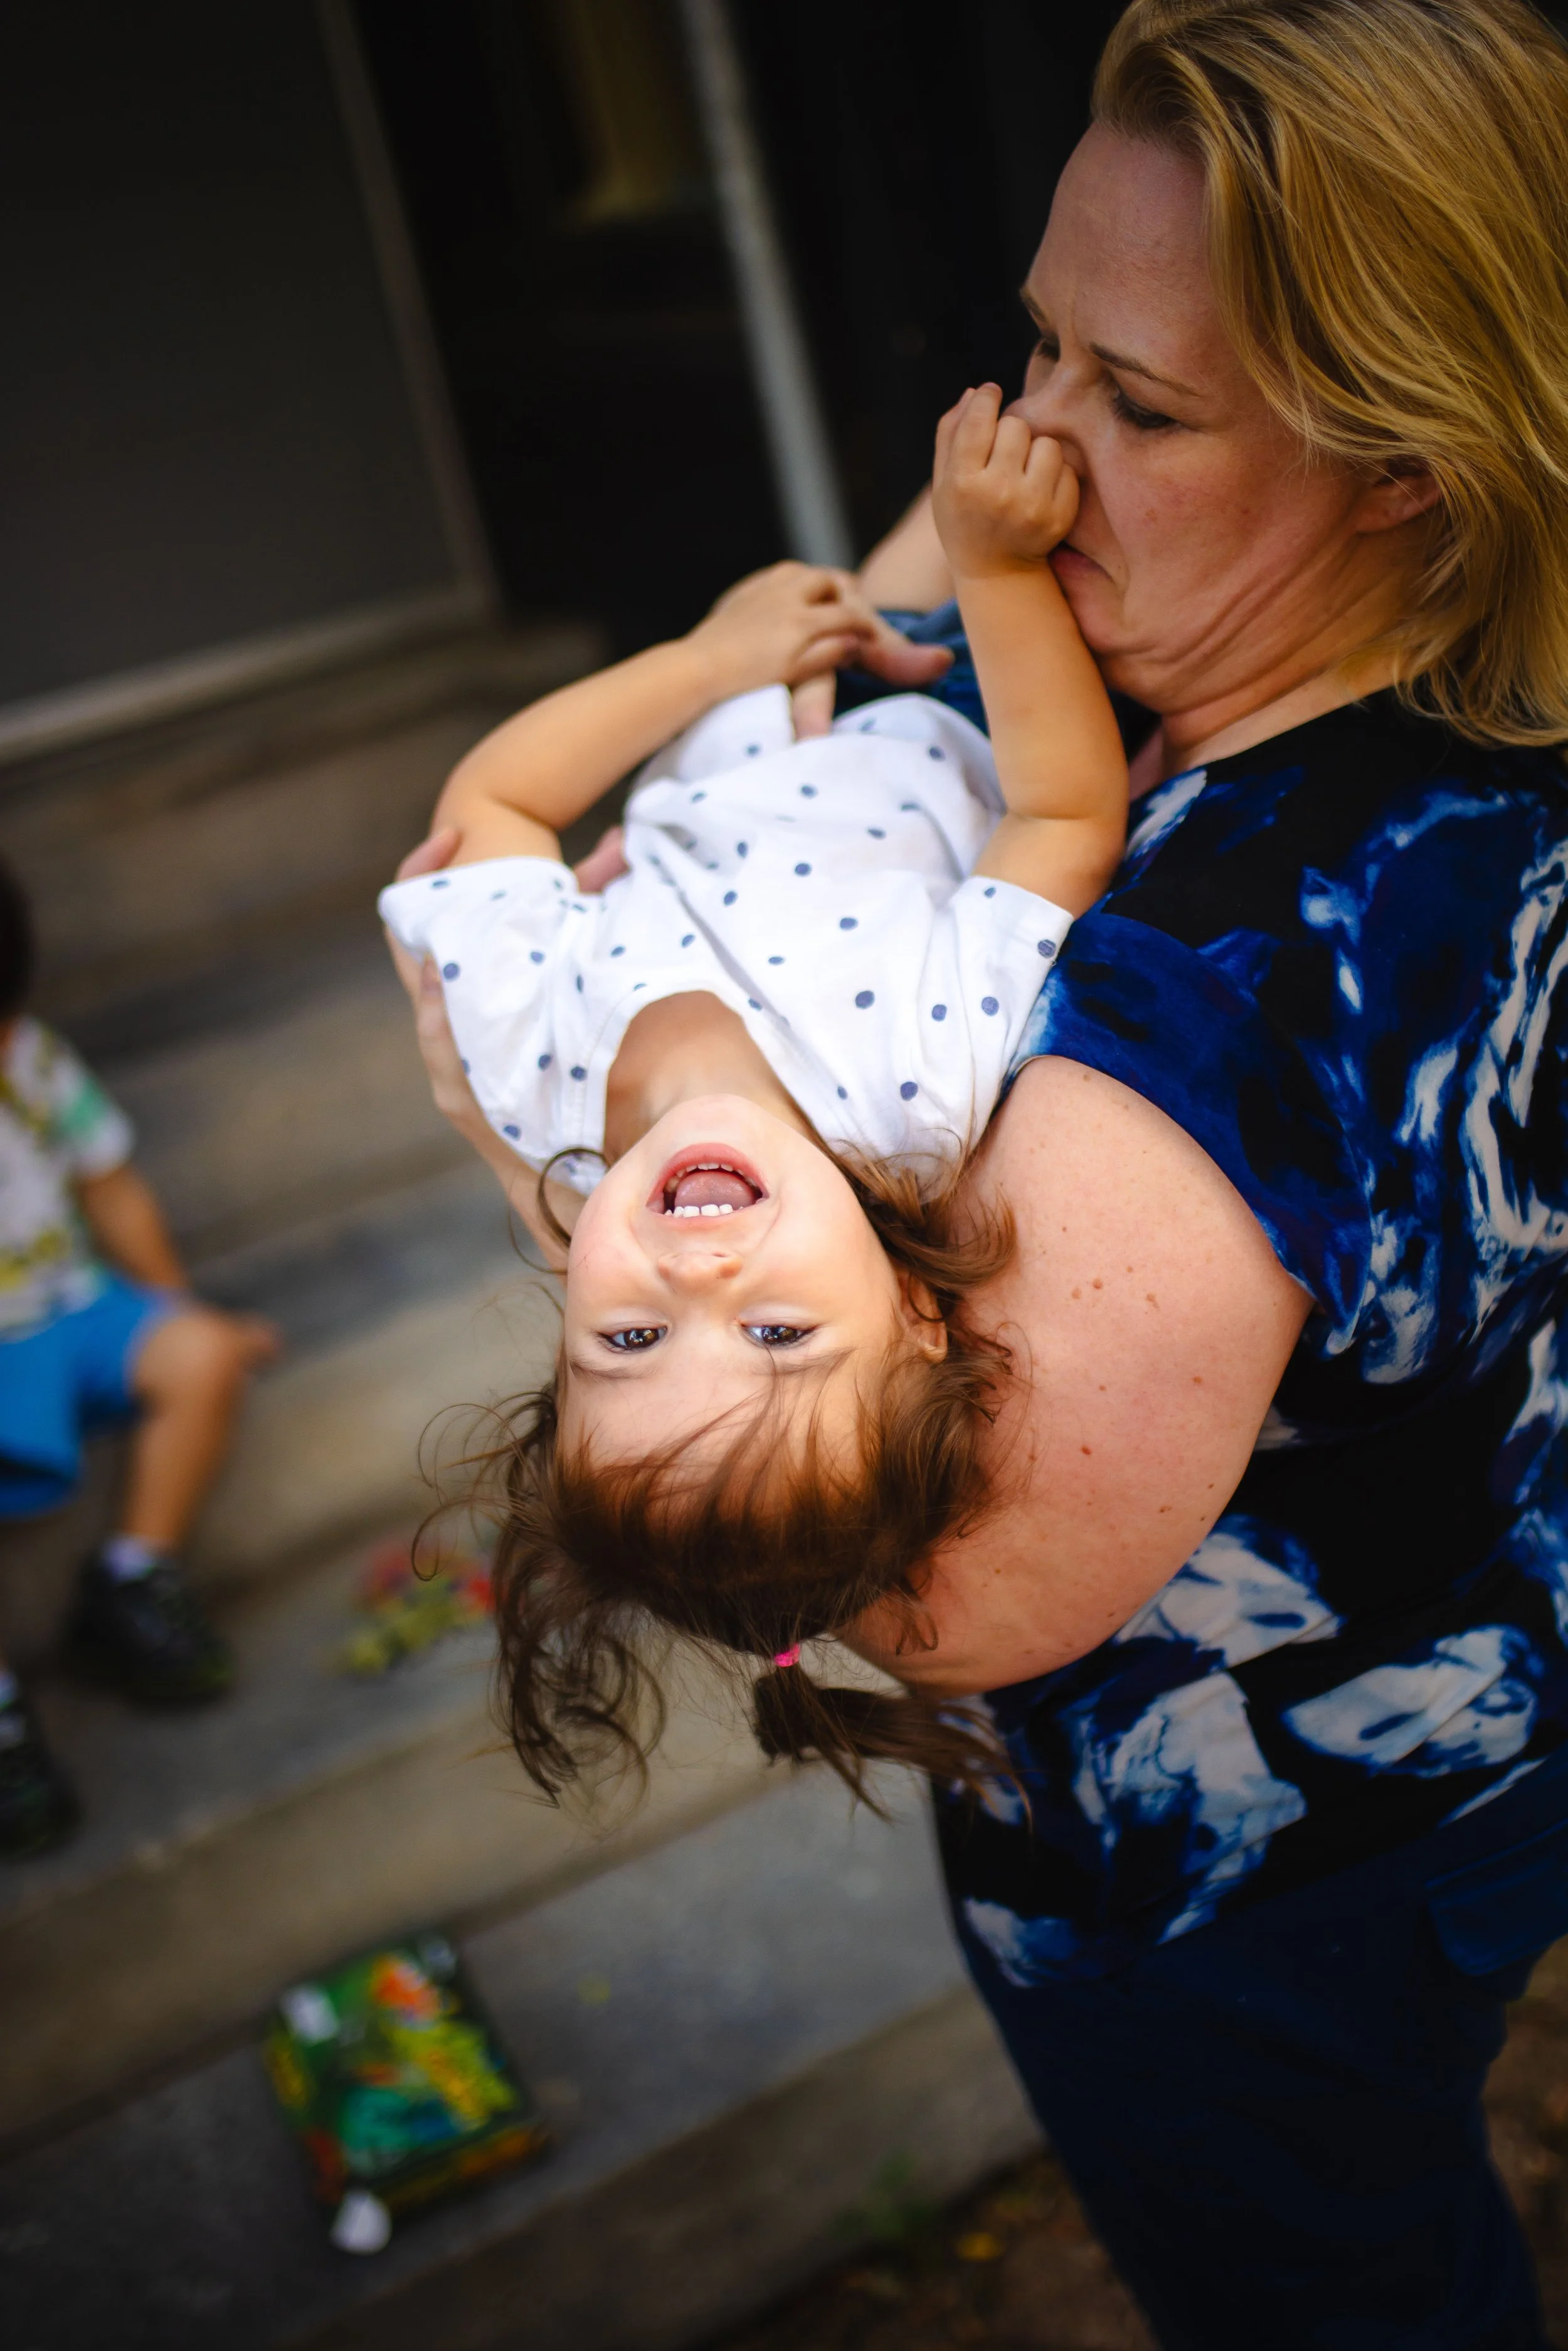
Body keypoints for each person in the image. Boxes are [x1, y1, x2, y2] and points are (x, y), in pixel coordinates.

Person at [391, 1, 1568, 2339]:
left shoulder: (1229, 979)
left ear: (1408, 461)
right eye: (1033, 340)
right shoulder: (1250, 624)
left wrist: (571, 1166)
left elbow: (939, 1599)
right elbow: (877, 607)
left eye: (1133, 403)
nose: (1027, 448)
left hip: (1252, 1866)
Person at [379, 388, 1126, 1777]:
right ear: (913, 1312)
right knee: (1054, 406)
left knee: (987, 426)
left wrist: (704, 658)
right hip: (983, 682)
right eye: (780, 1335)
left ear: (560, 1327)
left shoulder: (529, 1075)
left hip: (746, 682)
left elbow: (494, 811)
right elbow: (1063, 815)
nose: (699, 1282)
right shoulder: (915, 1088)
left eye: (630, 1343)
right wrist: (996, 571)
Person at [0, 859, 278, 1857]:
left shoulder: (30, 1061)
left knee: (198, 1359)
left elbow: (114, 1188)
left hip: (74, 1313)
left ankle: (133, 1577)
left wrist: (177, 1305)